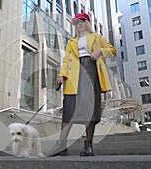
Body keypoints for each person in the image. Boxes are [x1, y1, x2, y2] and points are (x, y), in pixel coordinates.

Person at [48, 13, 116, 156]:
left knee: (89, 109)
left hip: (91, 71)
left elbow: (113, 51)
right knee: (69, 109)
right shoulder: (72, 41)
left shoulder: (97, 37)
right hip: (73, 75)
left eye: (82, 21)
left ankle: (88, 146)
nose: (79, 24)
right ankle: (61, 145)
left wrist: (99, 51)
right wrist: (62, 75)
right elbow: (67, 60)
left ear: (87, 23)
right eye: (77, 22)